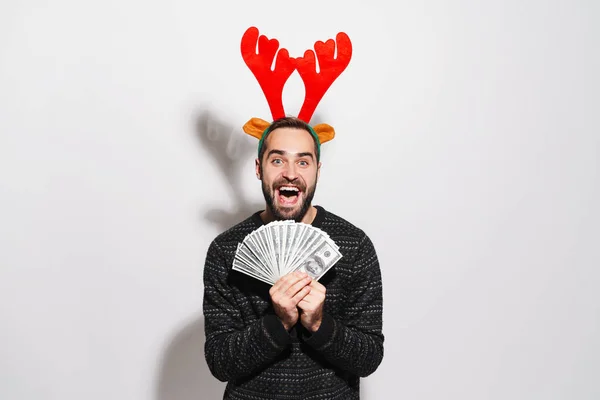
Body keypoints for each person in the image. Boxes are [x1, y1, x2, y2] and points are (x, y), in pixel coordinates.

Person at [202, 116, 384, 399]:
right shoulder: (226, 250)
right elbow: (220, 363)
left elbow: (369, 357)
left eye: (303, 161)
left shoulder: (354, 245)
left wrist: (319, 324)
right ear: (259, 168)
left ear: (317, 171)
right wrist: (278, 322)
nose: (290, 173)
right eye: (277, 160)